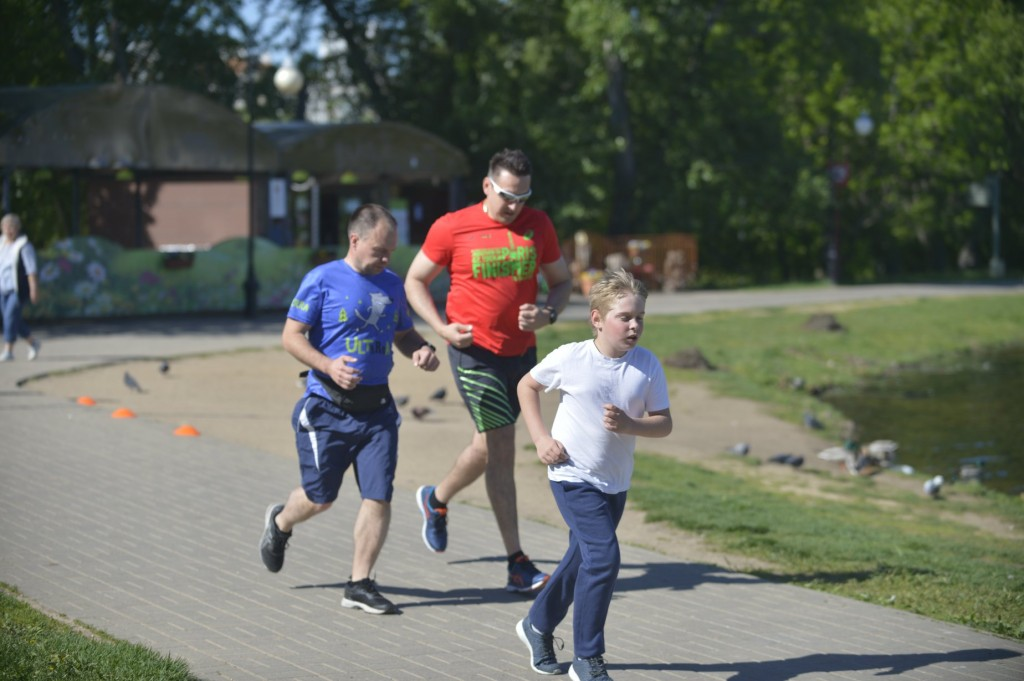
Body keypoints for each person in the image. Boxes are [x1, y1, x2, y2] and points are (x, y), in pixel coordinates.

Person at [404, 148, 573, 593]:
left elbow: (562, 283)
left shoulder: (539, 225)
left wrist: (548, 315)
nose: (514, 206)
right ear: (486, 186)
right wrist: (440, 326)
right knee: (501, 447)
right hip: (473, 352)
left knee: (485, 443)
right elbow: (414, 280)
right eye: (506, 196)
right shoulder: (453, 226)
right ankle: (517, 562)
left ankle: (435, 500)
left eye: (522, 197)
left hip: (522, 354)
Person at [259, 203, 440, 615]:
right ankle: (282, 521)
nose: (386, 259)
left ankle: (359, 583)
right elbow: (291, 336)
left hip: (377, 410)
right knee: (320, 499)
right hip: (327, 408)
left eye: (391, 251)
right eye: (379, 250)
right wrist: (328, 365)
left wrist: (422, 350)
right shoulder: (321, 279)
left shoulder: (392, 284)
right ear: (354, 240)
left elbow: (404, 333)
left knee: (378, 495)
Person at [514, 269, 672, 680]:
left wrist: (630, 425)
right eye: (624, 317)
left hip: (614, 481)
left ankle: (536, 625)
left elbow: (663, 423)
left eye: (639, 317)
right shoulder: (572, 357)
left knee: (581, 557)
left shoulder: (647, 365)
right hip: (571, 473)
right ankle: (587, 658)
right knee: (603, 557)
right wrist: (540, 438)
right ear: (597, 319)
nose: (634, 325)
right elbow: (526, 387)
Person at [0, 213, 42, 362]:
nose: (9, 230)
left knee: (10, 317)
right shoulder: (1, 244)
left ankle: (8, 350)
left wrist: (34, 288)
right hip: (2, 289)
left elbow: (31, 269)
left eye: (12, 227)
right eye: (6, 227)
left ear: (18, 228)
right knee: (12, 320)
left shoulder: (23, 245)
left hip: (17, 290)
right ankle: (33, 342)